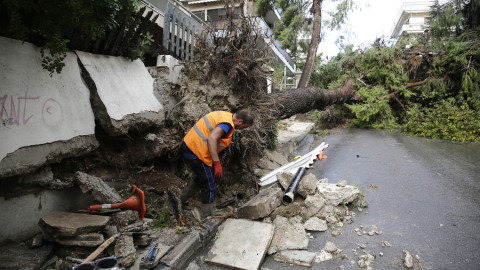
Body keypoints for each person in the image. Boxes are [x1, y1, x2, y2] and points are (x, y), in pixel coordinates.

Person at [180, 111, 254, 218]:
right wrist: (217, 163)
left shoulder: (225, 116)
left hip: (192, 146)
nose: (242, 129)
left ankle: (180, 200)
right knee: (209, 184)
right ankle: (207, 216)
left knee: (203, 178)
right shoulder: (227, 124)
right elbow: (211, 138)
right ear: (239, 121)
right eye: (243, 126)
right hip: (196, 151)